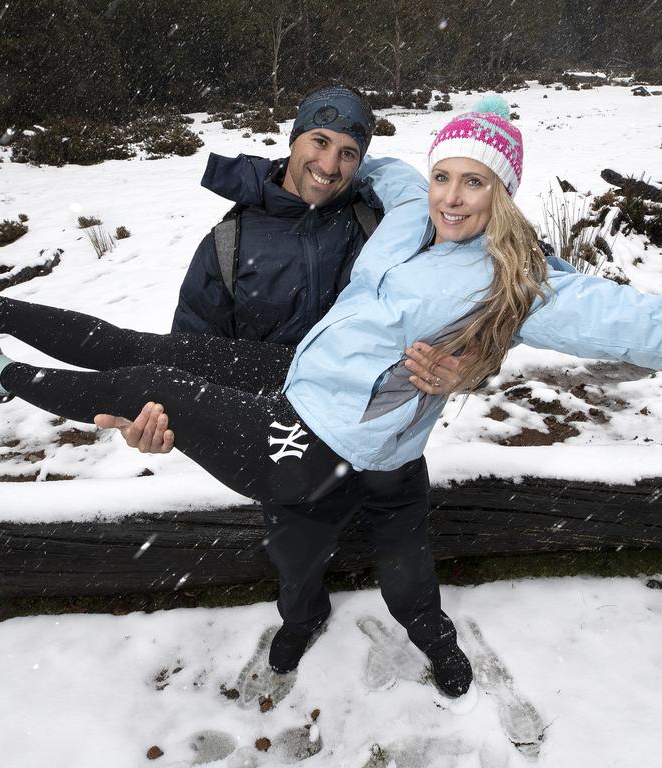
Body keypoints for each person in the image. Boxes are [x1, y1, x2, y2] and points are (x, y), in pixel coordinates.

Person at [0, 97, 662, 698]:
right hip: (290, 391)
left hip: (332, 447)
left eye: (476, 183)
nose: (450, 195)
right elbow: (363, 156)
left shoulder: (519, 283)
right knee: (146, 358)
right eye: (446, 174)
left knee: (400, 566)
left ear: (505, 196)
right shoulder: (402, 208)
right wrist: (259, 164)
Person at [98, 85, 473, 686]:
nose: (330, 165)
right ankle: (302, 618)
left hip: (386, 434)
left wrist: (469, 362)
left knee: (408, 557)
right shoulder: (229, 245)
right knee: (295, 557)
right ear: (292, 139)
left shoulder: (387, 231)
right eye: (320, 142)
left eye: (349, 152)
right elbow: (192, 357)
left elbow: (465, 300)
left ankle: (430, 630)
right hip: (289, 440)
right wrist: (152, 418)